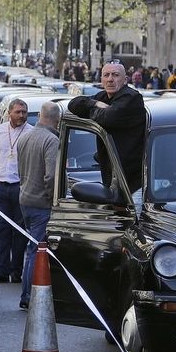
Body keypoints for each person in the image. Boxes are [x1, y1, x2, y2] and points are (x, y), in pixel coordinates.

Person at [67, 60, 147, 192]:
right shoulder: (103, 97)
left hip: (133, 182)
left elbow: (108, 118)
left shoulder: (132, 98)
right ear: (101, 80)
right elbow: (73, 104)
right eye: (106, 75)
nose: (110, 79)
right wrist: (95, 104)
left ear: (125, 80)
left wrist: (91, 111)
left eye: (115, 75)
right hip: (112, 175)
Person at [17, 102, 60, 310]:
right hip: (42, 203)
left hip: (25, 199)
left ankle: (29, 293)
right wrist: (54, 199)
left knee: (32, 247)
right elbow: (51, 176)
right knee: (37, 251)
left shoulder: (25, 137)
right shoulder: (51, 140)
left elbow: (21, 170)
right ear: (57, 120)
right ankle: (28, 296)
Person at [0, 99, 33, 284]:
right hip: (0, 186)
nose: (21, 115)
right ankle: (1, 271)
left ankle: (16, 271)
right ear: (9, 113)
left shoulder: (31, 133)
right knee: (1, 230)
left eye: (24, 112)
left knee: (19, 232)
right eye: (18, 112)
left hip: (20, 188)